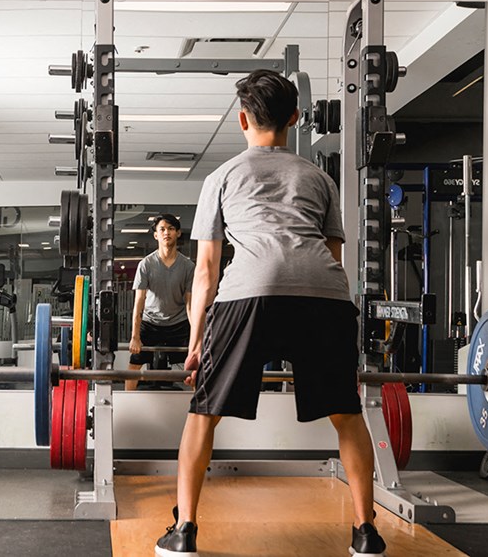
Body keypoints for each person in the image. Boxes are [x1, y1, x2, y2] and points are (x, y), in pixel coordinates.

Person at [154, 70, 385, 557]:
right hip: (323, 294)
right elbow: (335, 259)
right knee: (346, 413)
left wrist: (196, 342)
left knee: (203, 414)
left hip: (248, 293)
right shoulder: (319, 177)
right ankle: (366, 533)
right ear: (295, 120)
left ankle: (185, 532)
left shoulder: (221, 177)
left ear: (242, 119)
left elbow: (207, 272)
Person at [126, 214, 195, 391]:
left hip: (178, 324)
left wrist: (196, 336)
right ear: (156, 235)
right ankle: (126, 405)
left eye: (171, 229)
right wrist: (135, 337)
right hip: (150, 323)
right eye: (162, 229)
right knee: (134, 367)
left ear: (178, 233)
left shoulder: (188, 266)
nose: (166, 233)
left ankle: (200, 408)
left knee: (194, 366)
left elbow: (189, 304)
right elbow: (139, 302)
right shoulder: (146, 264)